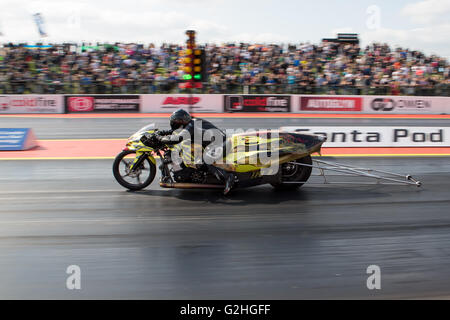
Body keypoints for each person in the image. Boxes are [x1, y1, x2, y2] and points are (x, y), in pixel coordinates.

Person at [142, 109, 235, 195]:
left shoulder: (192, 124)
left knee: (206, 159)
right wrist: (159, 133)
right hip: (213, 143)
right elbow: (172, 131)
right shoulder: (188, 124)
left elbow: (178, 138)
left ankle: (228, 177)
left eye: (175, 121)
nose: (173, 122)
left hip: (222, 143)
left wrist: (161, 138)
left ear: (180, 121)